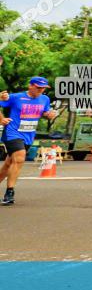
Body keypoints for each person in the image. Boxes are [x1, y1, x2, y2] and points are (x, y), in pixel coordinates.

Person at [0, 77, 57, 206]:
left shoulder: (45, 99)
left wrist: (48, 114)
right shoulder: (16, 97)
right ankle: (10, 193)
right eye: (38, 87)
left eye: (43, 88)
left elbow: (45, 111)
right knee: (20, 157)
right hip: (13, 132)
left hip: (29, 135)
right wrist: (1, 119)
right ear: (30, 86)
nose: (40, 90)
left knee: (9, 163)